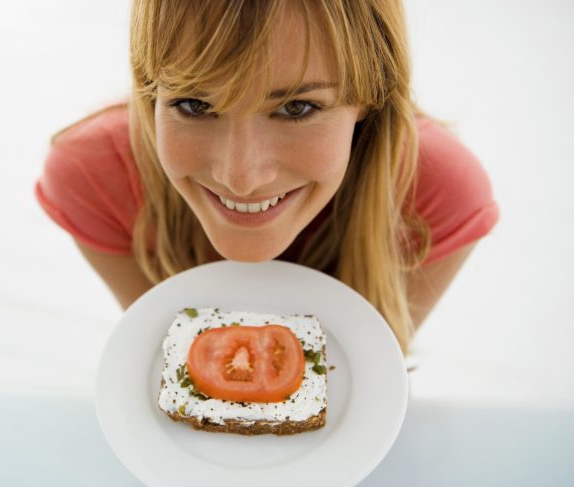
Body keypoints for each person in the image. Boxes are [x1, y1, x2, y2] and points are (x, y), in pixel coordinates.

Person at [34, 0, 499, 355]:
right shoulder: (95, 177)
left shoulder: (439, 198)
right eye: (194, 105)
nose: (240, 177)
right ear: (148, 87)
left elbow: (357, 397)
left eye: (297, 108)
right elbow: (173, 365)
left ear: (371, 97)